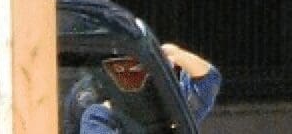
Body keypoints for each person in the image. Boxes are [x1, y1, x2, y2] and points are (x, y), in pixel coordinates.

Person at [72, 44, 219, 133]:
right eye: (118, 69)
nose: (128, 76)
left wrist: (174, 54)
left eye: (136, 68)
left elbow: (208, 79)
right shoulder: (100, 116)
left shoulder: (172, 107)